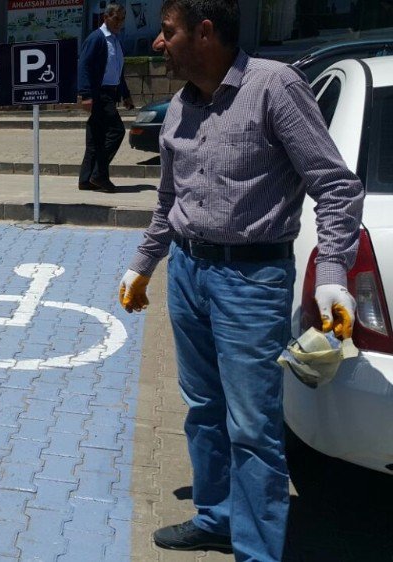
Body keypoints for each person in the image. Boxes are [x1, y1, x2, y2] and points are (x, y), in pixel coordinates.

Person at [117, 0, 364, 560]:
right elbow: (167, 202)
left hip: (250, 281)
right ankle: (218, 516)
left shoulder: (274, 87)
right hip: (187, 273)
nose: (158, 43)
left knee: (252, 427)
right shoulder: (181, 105)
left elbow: (335, 185)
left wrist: (332, 274)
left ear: (204, 33)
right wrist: (143, 264)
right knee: (203, 407)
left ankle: (257, 550)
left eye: (167, 31)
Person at [76, 3, 134, 193]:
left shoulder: (116, 41)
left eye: (122, 19)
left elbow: (117, 71)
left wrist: (125, 95)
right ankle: (99, 175)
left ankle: (86, 179)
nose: (119, 23)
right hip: (99, 94)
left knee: (96, 137)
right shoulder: (97, 39)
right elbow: (84, 65)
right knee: (116, 131)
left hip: (111, 92)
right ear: (105, 18)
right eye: (116, 18)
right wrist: (85, 95)